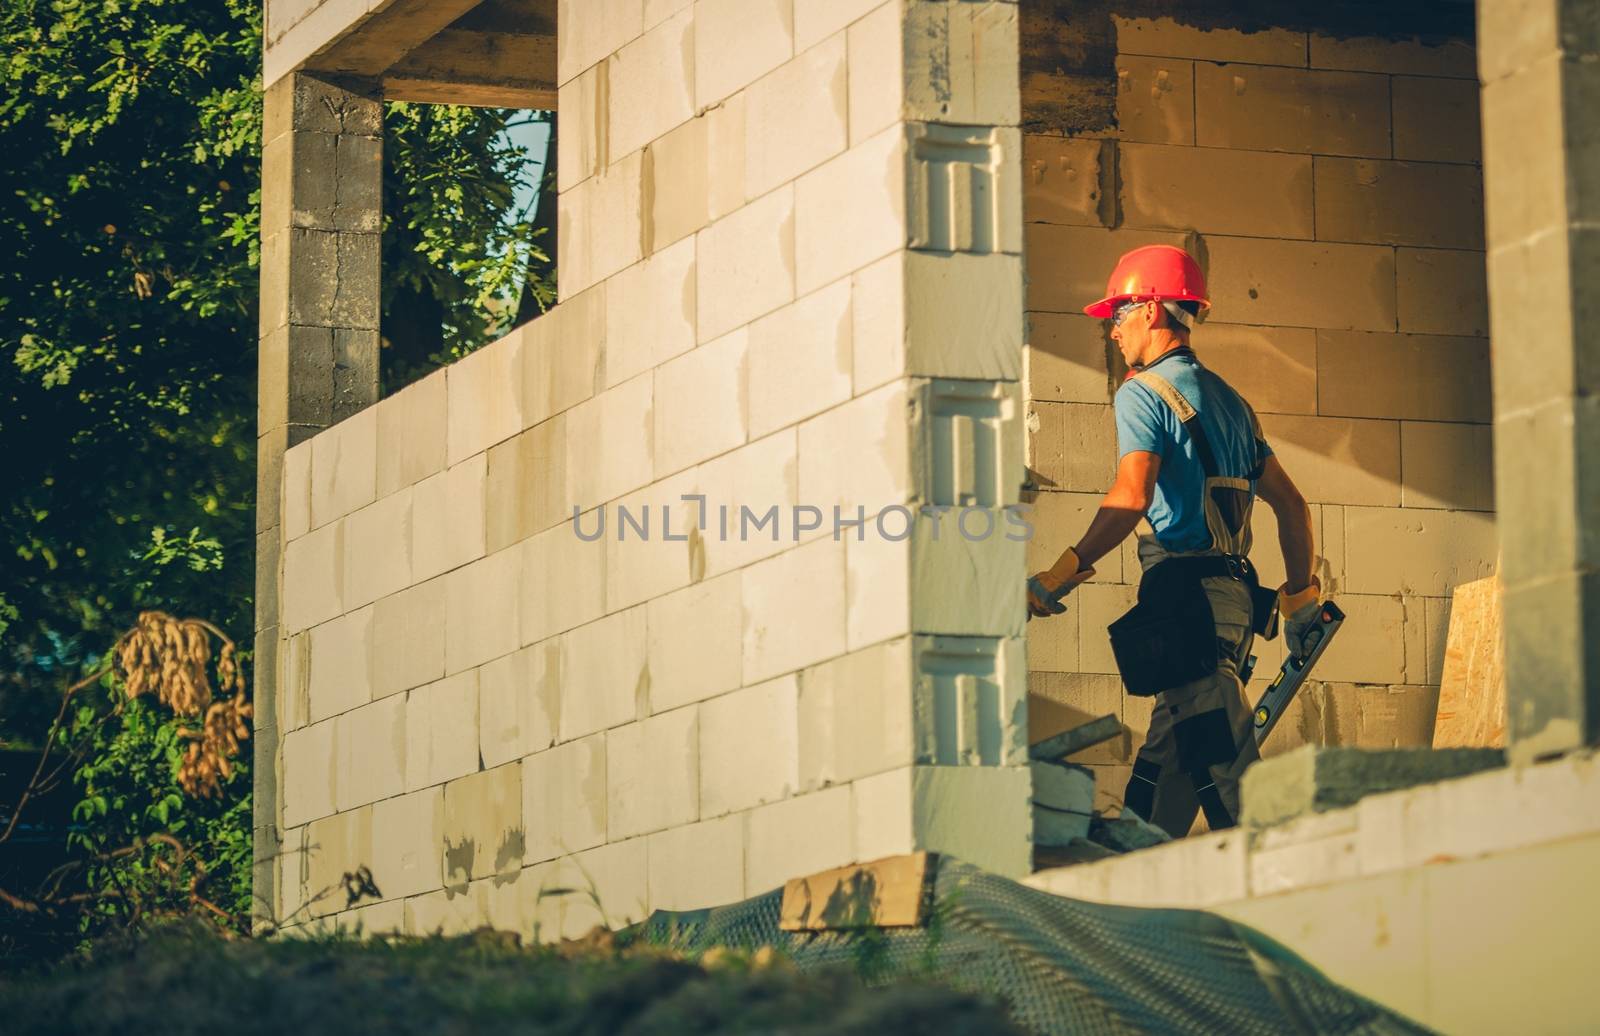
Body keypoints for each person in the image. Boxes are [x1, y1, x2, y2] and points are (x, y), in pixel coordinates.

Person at [1025, 244, 1323, 838]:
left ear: (1152, 311)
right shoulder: (1233, 403)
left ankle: (1295, 891)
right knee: (1166, 765)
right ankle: (1130, 880)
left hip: (1187, 605)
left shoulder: (1141, 393)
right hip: (1232, 609)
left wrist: (1056, 577)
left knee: (1227, 770)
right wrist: (1300, 600)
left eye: (1119, 315)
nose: (1112, 332)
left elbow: (1130, 498)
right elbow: (1292, 505)